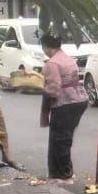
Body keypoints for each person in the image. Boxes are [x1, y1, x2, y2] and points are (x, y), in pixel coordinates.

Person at [40, 33, 87, 182]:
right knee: (64, 137)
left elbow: (53, 90)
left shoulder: (52, 64)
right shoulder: (68, 59)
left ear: (46, 47)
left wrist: (37, 87)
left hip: (65, 103)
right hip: (79, 100)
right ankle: (60, 172)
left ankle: (63, 173)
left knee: (59, 139)